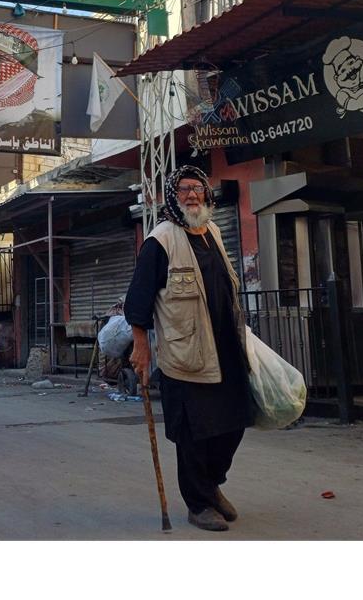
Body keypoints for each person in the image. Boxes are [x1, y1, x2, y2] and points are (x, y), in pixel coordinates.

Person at [124, 165, 257, 532]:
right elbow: (138, 300)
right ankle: (198, 503)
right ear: (173, 197)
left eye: (198, 188)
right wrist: (141, 348)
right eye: (184, 190)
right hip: (185, 354)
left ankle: (212, 486)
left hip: (225, 347)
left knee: (234, 422)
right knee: (195, 432)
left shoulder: (212, 231)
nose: (193, 195)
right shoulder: (161, 240)